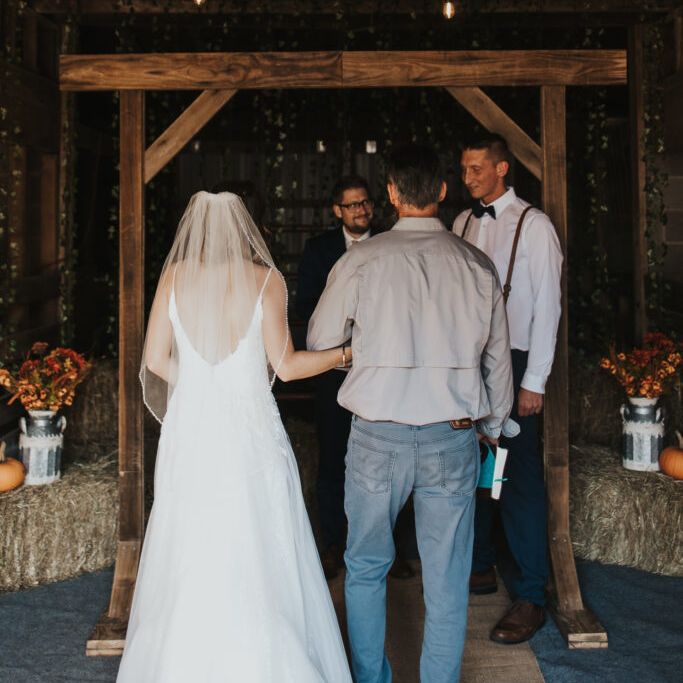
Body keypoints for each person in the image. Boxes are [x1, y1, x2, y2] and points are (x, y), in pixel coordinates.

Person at [117, 191, 353, 683]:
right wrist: (346, 354)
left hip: (193, 432)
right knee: (259, 547)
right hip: (251, 436)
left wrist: (204, 388)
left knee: (191, 543)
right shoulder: (266, 281)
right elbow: (287, 368)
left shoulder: (175, 277)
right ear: (250, 230)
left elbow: (156, 360)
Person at [307, 144, 514, 683]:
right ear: (443, 192)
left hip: (377, 436)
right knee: (446, 580)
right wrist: (491, 430)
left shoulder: (360, 260)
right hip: (453, 437)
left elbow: (319, 339)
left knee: (366, 567)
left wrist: (366, 348)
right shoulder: (477, 265)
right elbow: (498, 364)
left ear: (393, 195)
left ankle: (372, 679)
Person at [454, 133, 562, 645]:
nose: (467, 177)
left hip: (517, 361)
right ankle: (479, 566)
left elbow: (548, 306)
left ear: (501, 168)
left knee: (516, 475)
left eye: (476, 168)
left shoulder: (534, 225)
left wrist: (534, 380)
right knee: (470, 463)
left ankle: (531, 596)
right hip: (468, 361)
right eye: (464, 169)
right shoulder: (461, 222)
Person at [296, 174, 381, 579]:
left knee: (385, 460)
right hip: (334, 370)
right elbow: (308, 308)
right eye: (352, 205)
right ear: (337, 211)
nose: (361, 210)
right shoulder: (318, 251)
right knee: (333, 458)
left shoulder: (390, 244)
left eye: (365, 202)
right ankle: (333, 542)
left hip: (384, 371)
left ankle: (389, 548)